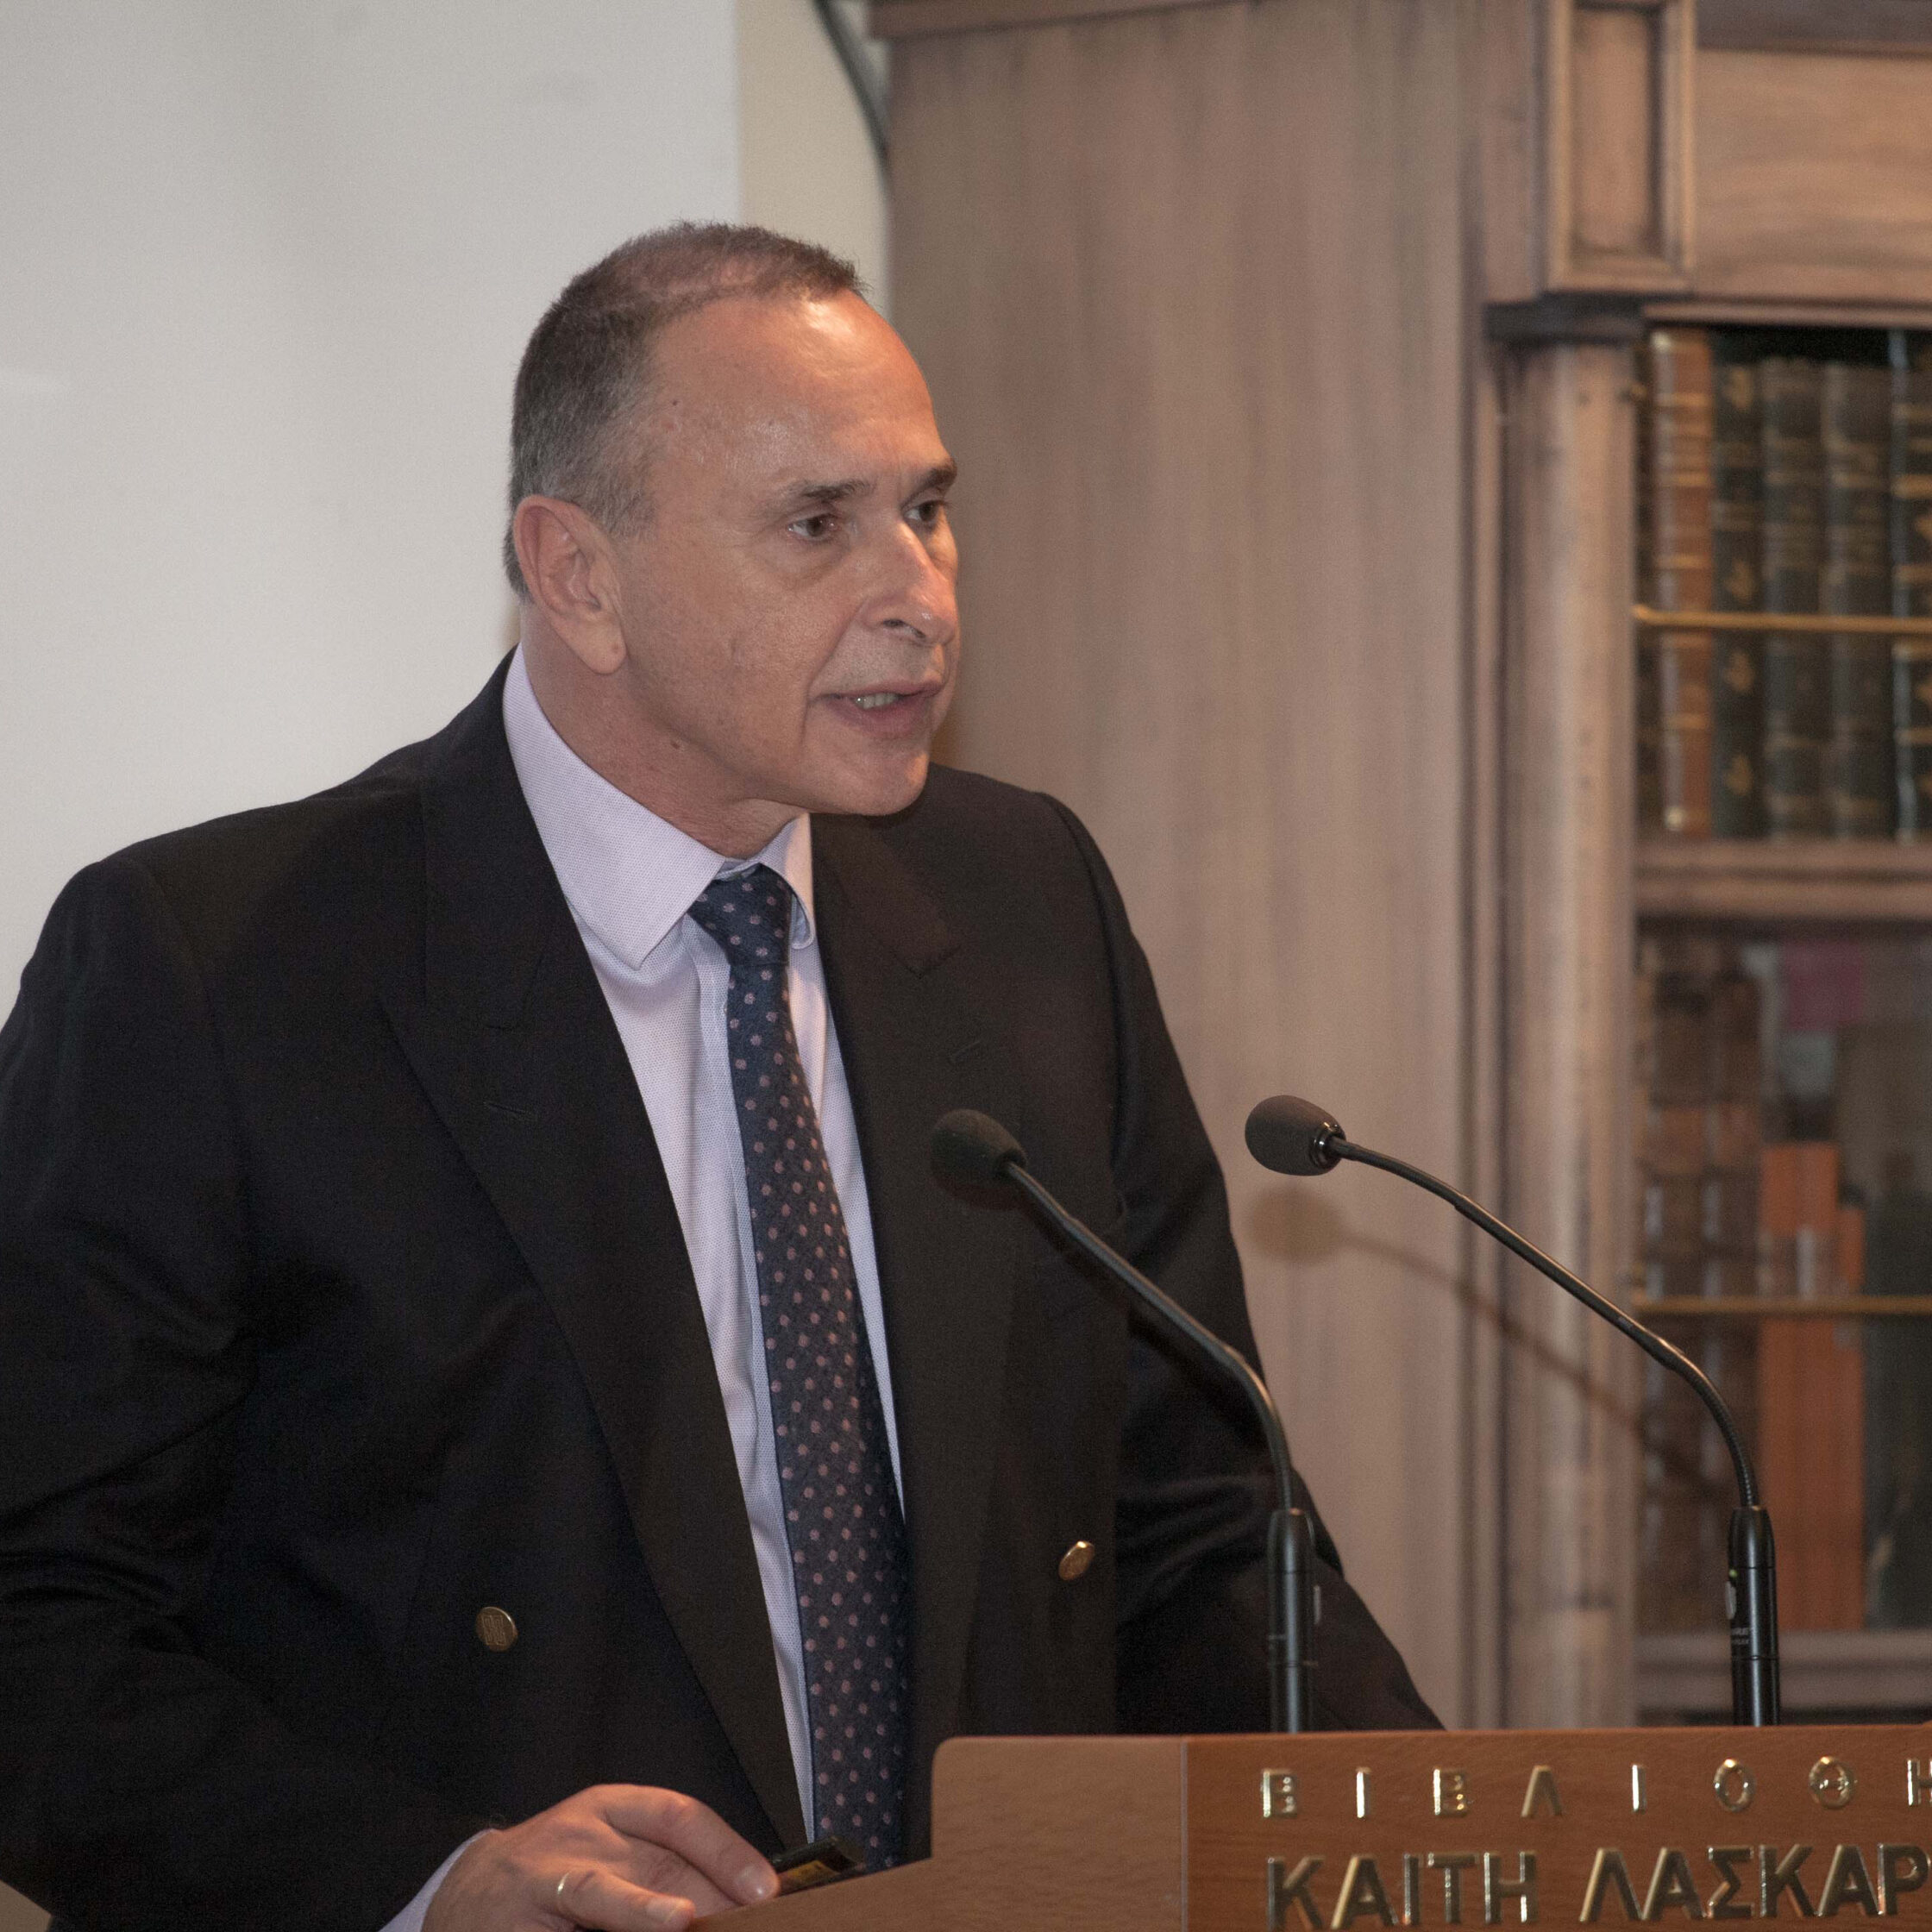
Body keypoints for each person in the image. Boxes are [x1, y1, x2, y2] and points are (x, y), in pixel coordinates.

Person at [0, 224, 1433, 1932]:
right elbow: (38, 1624)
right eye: (819, 525)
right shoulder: (226, 966)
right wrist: (428, 1882)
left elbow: (1199, 1527)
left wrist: (1429, 1837)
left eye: (928, 507)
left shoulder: (1023, 901)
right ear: (581, 575)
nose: (917, 590)